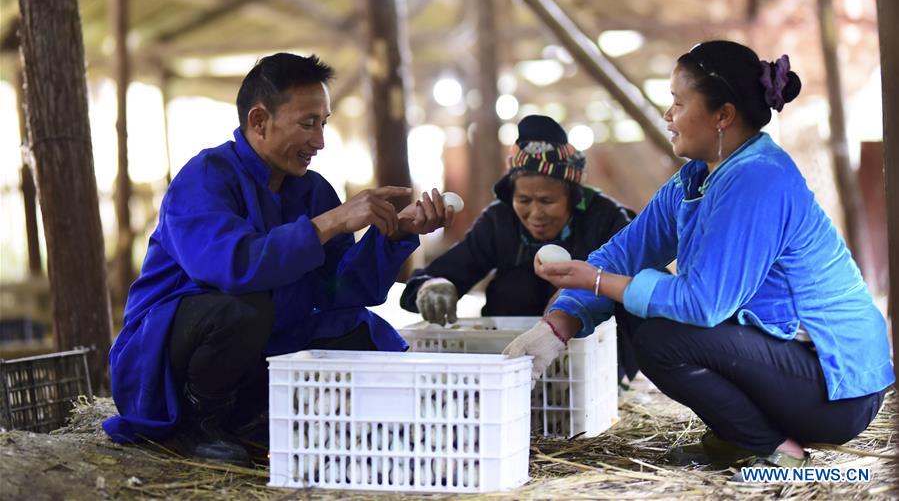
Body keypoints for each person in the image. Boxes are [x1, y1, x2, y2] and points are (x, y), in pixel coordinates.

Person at [504, 41, 893, 474]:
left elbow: (703, 304)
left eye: (677, 102)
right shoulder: (696, 178)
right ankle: (742, 436)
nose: (668, 115)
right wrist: (558, 325)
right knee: (639, 305)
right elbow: (627, 252)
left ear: (723, 115)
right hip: (785, 363)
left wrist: (595, 281)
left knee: (659, 337)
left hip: (836, 387)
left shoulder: (758, 179)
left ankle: (776, 448)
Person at [103, 53, 453, 465]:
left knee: (355, 331)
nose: (320, 141)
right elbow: (233, 267)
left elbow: (342, 290)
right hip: (169, 361)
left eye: (323, 123)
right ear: (258, 121)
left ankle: (250, 417)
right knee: (243, 309)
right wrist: (330, 223)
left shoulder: (313, 190)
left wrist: (392, 236)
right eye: (307, 123)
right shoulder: (205, 177)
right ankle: (197, 423)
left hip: (256, 350)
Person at [400, 114, 641, 381]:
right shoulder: (499, 220)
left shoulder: (607, 219)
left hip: (594, 363)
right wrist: (431, 287)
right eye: (524, 199)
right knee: (515, 285)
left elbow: (638, 285)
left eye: (547, 201)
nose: (535, 213)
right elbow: (446, 270)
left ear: (573, 197)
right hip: (515, 362)